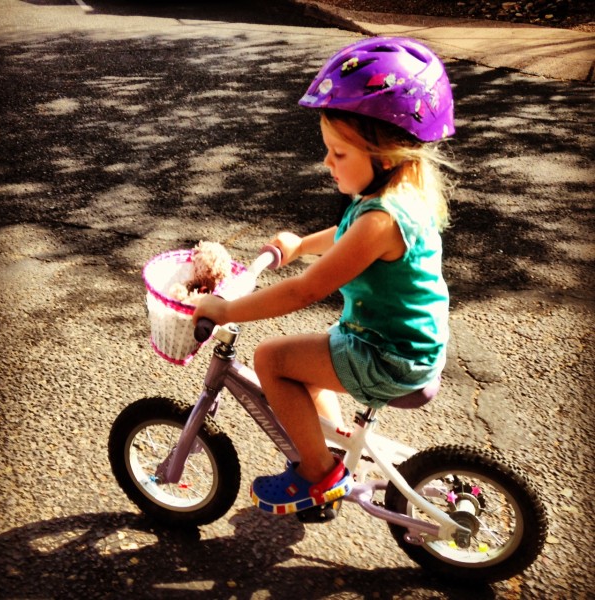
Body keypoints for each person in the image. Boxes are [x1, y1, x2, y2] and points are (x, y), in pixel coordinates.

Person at [193, 37, 455, 515]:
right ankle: (332, 457)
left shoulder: (381, 220)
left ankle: (318, 474)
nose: (327, 163)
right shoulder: (397, 197)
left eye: (339, 153)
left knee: (272, 359)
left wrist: (227, 309)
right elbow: (346, 234)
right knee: (308, 371)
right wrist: (300, 245)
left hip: (389, 356)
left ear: (388, 154)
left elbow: (308, 289)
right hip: (406, 345)